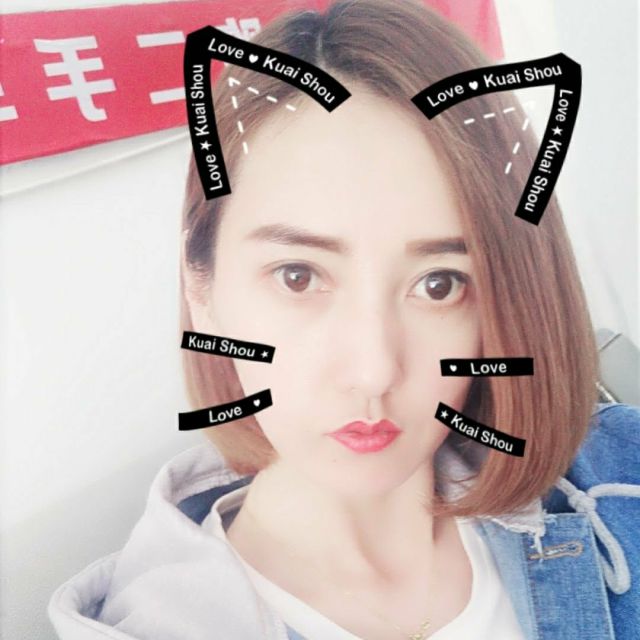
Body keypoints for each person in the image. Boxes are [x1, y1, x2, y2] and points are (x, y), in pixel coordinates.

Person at [48, 0, 640, 638]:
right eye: (298, 276)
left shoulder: (618, 475)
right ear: (202, 287)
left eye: (438, 284)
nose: (372, 371)